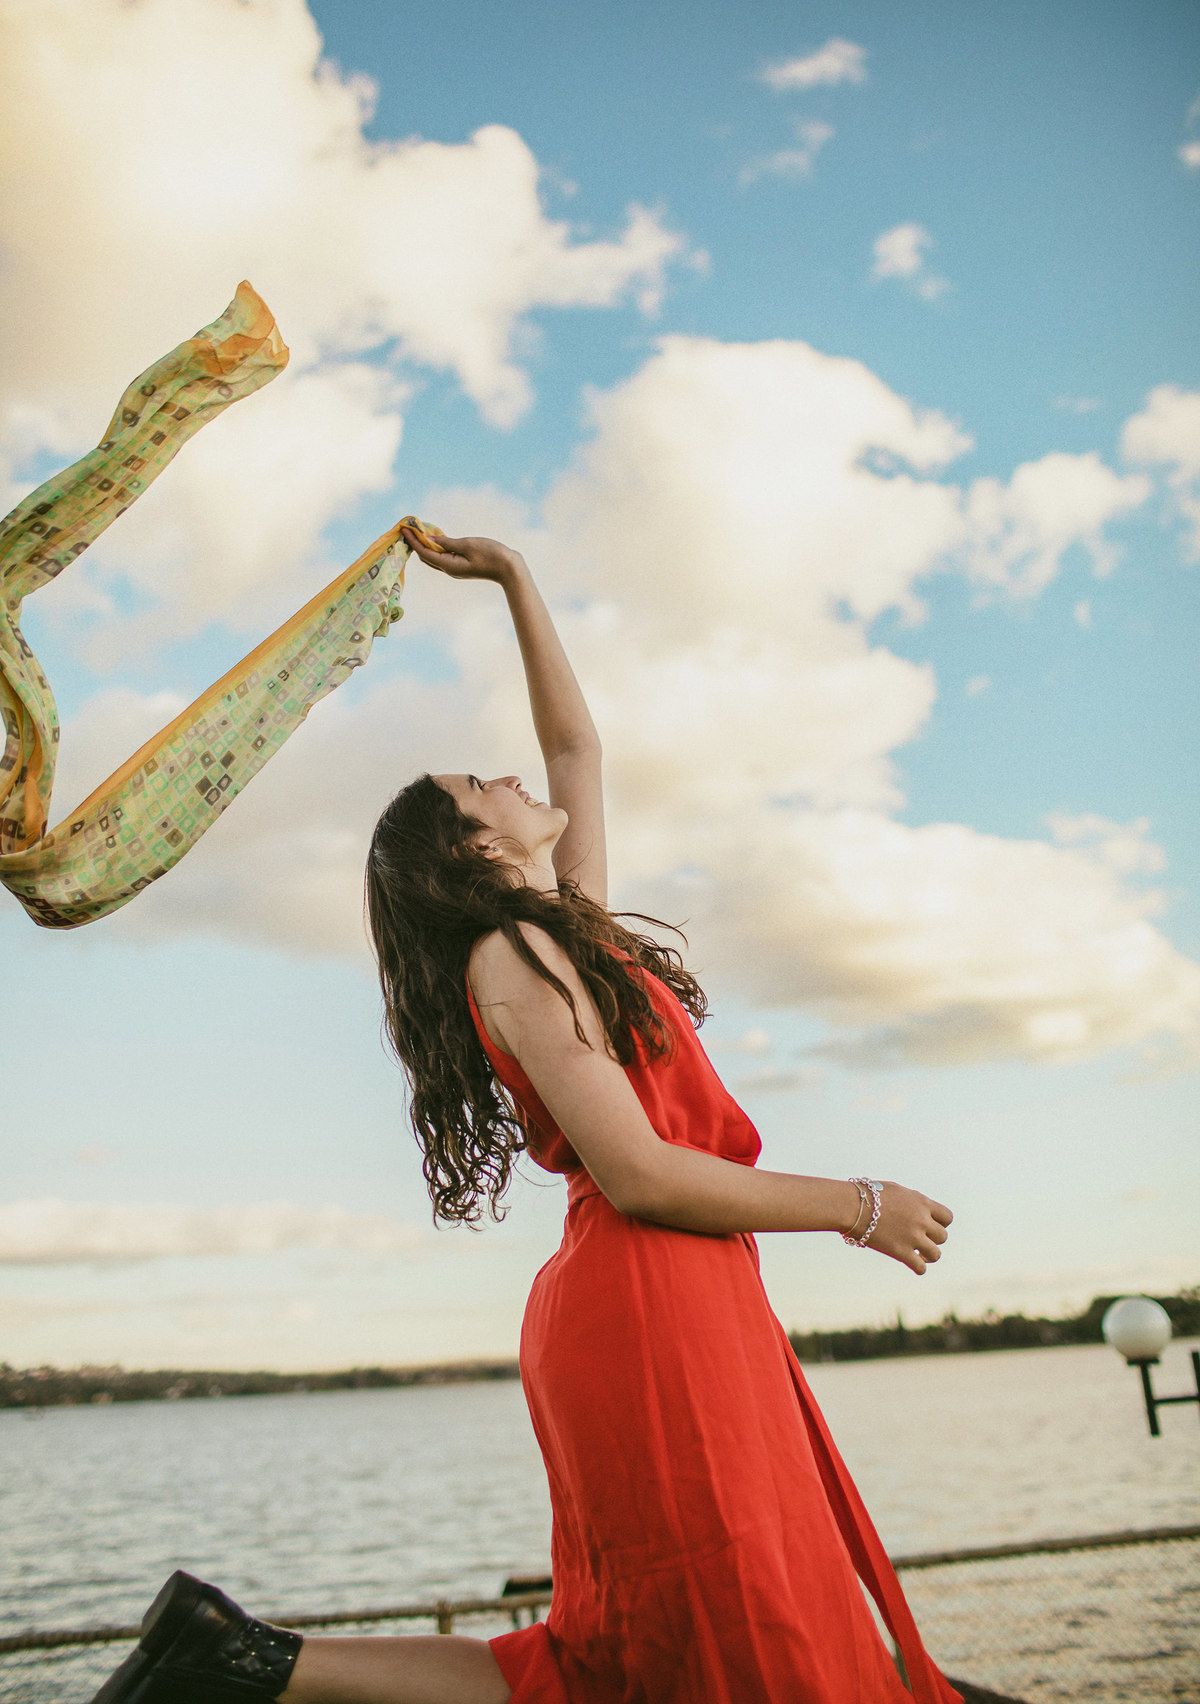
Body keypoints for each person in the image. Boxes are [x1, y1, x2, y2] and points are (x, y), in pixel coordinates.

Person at [92, 530, 959, 1704]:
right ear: (480, 847)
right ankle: (244, 1661)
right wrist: (861, 1207)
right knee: (698, 1629)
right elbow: (642, 1172)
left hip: (689, 1296)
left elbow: (578, 746)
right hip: (648, 1295)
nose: (511, 777)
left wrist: (515, 583)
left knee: (648, 1645)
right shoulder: (512, 955)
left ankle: (240, 1659)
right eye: (480, 787)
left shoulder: (566, 935)